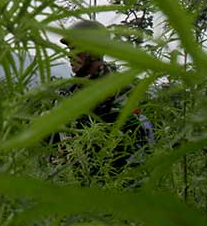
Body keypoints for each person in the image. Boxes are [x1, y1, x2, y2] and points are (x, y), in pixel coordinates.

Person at [51, 19, 154, 177]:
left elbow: (133, 148)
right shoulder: (71, 91)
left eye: (75, 49)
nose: (69, 55)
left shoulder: (119, 90)